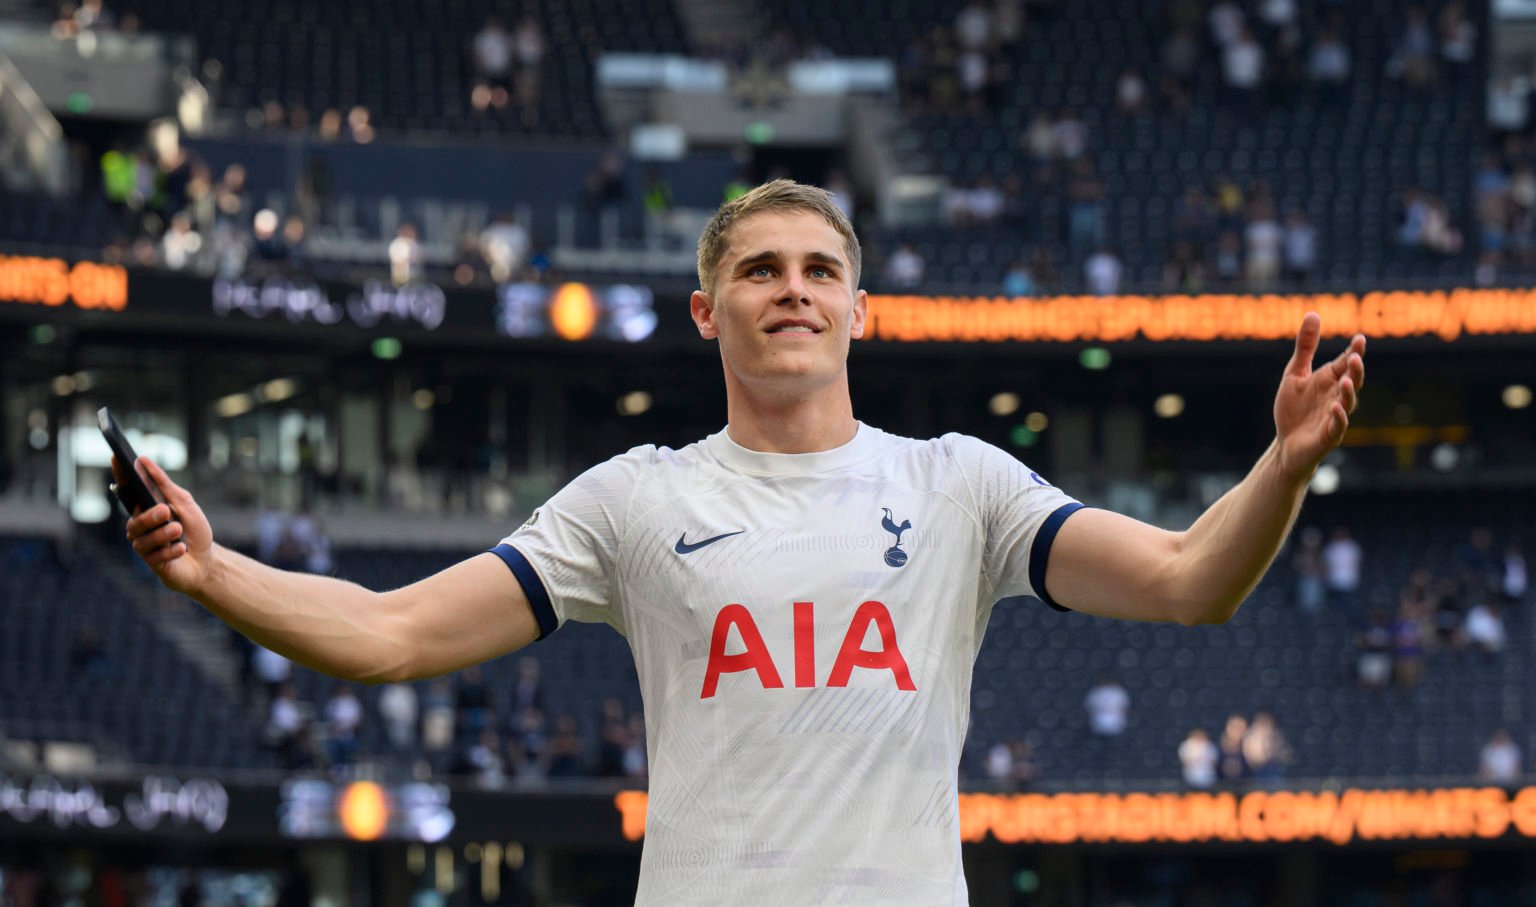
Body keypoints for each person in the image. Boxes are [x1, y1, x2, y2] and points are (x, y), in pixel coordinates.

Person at [116, 180, 1366, 905]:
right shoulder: (632, 502)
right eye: (762, 269)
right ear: (709, 310)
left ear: (859, 309)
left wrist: (1284, 465)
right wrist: (210, 570)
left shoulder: (961, 486)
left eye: (822, 269)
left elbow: (1192, 581)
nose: (795, 289)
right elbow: (391, 636)